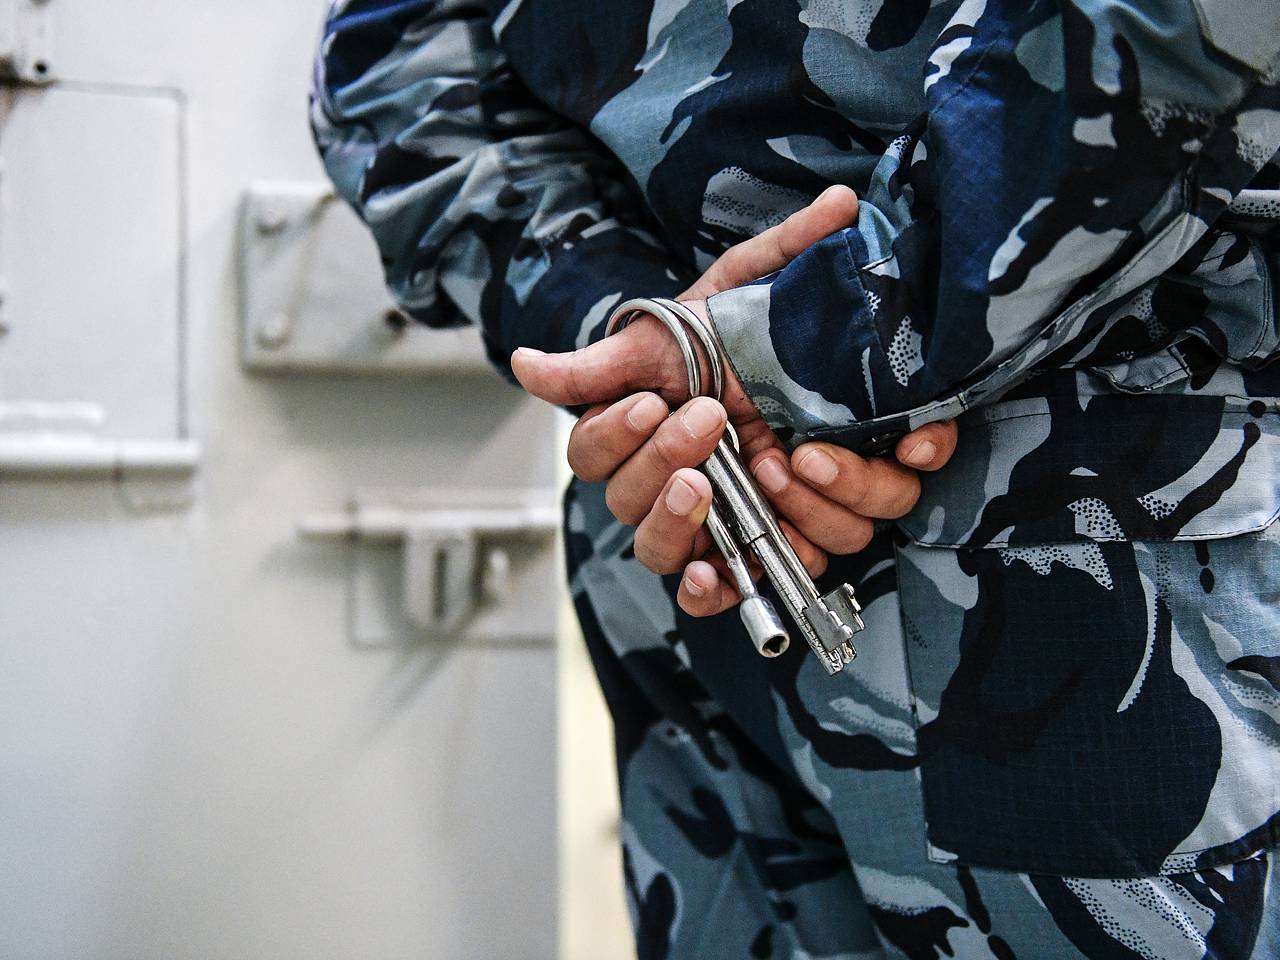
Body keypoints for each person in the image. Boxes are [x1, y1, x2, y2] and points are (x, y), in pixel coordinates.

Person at [311, 1, 1280, 956]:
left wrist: (736, 347)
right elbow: (393, 44)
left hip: (1075, 532)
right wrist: (653, 344)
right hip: (733, 531)